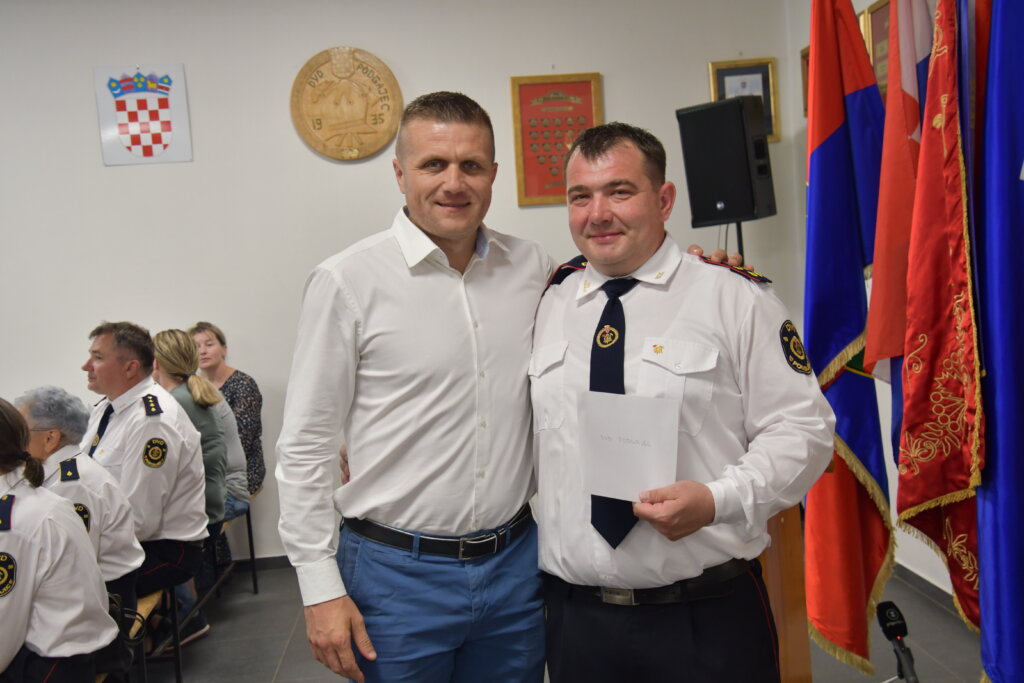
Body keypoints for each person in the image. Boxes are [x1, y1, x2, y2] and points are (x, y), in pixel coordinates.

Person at [531, 122, 835, 682]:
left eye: (620, 191)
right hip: (576, 621)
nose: (598, 213)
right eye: (580, 196)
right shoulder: (549, 301)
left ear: (664, 199)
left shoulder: (733, 296)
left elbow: (804, 431)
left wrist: (717, 500)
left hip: (705, 616)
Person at [276, 91, 553, 683]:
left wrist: (703, 276)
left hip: (514, 566)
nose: (454, 182)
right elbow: (306, 443)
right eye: (433, 164)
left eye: (470, 165)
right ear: (400, 174)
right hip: (394, 576)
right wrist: (319, 587)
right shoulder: (347, 280)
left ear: (493, 174)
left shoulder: (534, 268)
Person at [79, 321, 208, 597]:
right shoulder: (107, 408)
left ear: (130, 368)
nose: (86, 366)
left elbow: (139, 520)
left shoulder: (152, 421)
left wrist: (75, 543)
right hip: (121, 539)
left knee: (64, 589)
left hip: (164, 549)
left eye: (97, 358)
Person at [0, 397, 119, 683]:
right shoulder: (27, 498)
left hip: (53, 666)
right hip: (64, 649)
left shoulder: (13, 522)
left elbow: (3, 631)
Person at [14, 386, 145, 615]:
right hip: (89, 590)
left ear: (50, 438)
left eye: (21, 431)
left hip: (105, 602)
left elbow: (71, 565)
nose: (16, 441)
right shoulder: (64, 471)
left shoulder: (72, 486)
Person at [152, 328, 230, 646]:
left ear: (156, 363)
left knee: (145, 532)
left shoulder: (173, 402)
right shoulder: (188, 392)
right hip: (213, 500)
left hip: (203, 510)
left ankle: (187, 615)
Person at [189, 321, 264, 499]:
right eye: (196, 347)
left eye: (209, 344)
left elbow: (242, 438)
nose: (202, 351)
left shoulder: (243, 384)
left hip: (240, 472)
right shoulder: (193, 385)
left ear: (224, 349)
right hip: (206, 468)